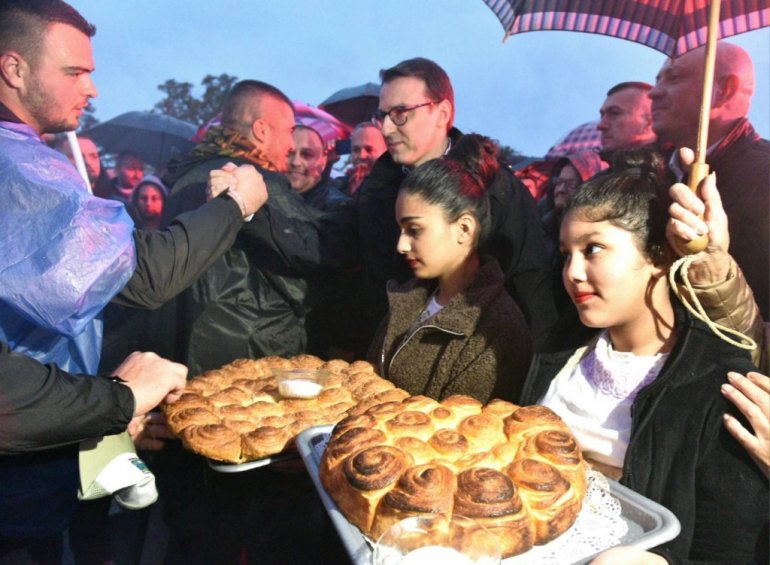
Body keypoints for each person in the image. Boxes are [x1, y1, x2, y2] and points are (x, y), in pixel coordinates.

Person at [0, 0, 268, 555]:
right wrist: (236, 204)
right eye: (74, 71)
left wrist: (100, 403)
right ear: (14, 69)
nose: (91, 88)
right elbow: (143, 273)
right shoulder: (13, 168)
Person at [520, 150, 767, 563]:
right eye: (566, 254)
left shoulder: (716, 384)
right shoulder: (558, 352)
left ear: (658, 256)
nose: (573, 272)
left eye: (593, 249)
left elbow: (728, 548)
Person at [357, 57, 556, 353]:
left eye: (400, 113)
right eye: (382, 115)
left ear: (442, 113)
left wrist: (529, 368)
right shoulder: (378, 186)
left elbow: (531, 289)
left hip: (479, 357)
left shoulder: (495, 190)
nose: (386, 128)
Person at [163, 80, 357, 374]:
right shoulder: (256, 182)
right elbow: (314, 250)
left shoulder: (187, 178)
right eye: (289, 131)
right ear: (262, 130)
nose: (291, 146)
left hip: (184, 343)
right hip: (250, 350)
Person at [368, 134, 532, 402]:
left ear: (464, 229)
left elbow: (464, 424)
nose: (401, 245)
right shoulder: (406, 297)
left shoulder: (496, 329)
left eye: (414, 230)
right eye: (400, 230)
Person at [649, 41, 769, 319]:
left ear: (724, 90)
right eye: (658, 80)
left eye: (674, 77)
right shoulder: (644, 173)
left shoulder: (764, 176)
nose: (653, 92)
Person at [539, 151, 607, 313]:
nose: (561, 189)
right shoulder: (543, 227)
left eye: (570, 184)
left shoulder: (599, 231)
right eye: (559, 182)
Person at [287, 124, 351, 211]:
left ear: (323, 162)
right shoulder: (268, 190)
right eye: (288, 153)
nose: (295, 162)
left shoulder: (337, 208)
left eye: (306, 155)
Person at [597, 82, 656, 156]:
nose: (600, 125)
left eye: (615, 113)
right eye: (602, 116)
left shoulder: (670, 162)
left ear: (651, 122)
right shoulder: (590, 160)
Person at [337, 121, 387, 195]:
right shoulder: (339, 185)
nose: (361, 156)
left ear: (385, 151)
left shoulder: (393, 190)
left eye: (369, 150)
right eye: (356, 150)